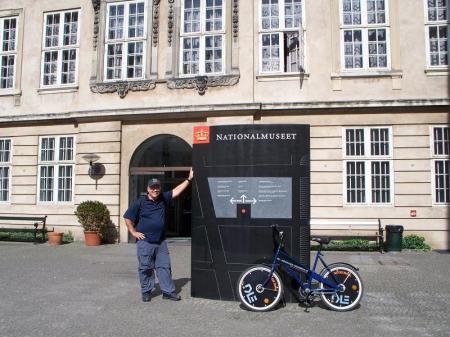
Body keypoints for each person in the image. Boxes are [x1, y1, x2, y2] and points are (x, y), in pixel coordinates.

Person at [124, 168, 194, 302]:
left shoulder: (163, 198)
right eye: (153, 188)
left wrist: (189, 179)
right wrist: (133, 232)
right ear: (148, 189)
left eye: (157, 187)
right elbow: (127, 217)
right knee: (145, 268)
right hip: (145, 241)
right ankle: (146, 291)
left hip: (161, 242)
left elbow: (177, 190)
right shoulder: (140, 202)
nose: (155, 190)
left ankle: (168, 292)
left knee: (164, 267)